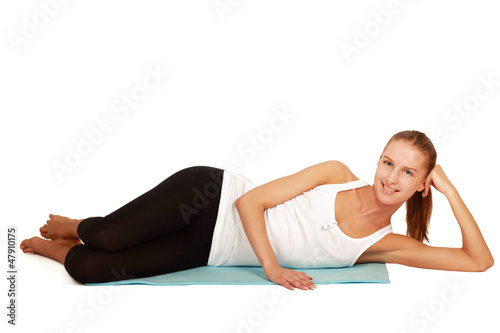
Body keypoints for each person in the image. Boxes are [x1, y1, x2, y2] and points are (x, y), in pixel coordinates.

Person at [20, 130, 494, 290]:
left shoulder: (385, 245)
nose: (391, 177)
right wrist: (272, 267)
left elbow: (479, 261)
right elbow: (251, 202)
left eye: (408, 173)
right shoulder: (335, 172)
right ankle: (79, 224)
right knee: (105, 237)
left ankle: (53, 245)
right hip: (212, 197)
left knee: (92, 271)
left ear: (422, 185)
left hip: (210, 251)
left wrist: (452, 192)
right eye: (388, 162)